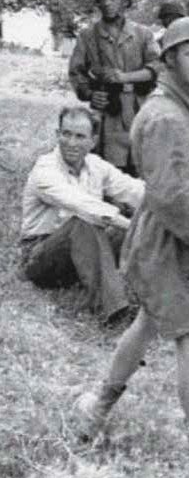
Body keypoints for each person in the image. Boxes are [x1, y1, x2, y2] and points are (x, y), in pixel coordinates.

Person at [74, 17, 189, 474]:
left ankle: (95, 409)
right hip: (169, 241)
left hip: (174, 238)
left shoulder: (183, 108)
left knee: (148, 324)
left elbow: (186, 189)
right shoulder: (165, 118)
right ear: (170, 58)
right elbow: (172, 200)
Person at [20, 106, 144, 325]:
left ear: (92, 141)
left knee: (138, 228)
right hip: (41, 257)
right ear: (57, 134)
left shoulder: (96, 166)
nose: (71, 142)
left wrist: (178, 201)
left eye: (80, 136)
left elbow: (133, 189)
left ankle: (165, 300)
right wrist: (133, 227)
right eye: (66, 134)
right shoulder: (45, 169)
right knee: (85, 222)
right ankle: (113, 310)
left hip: (79, 255)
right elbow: (84, 206)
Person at [68, 0, 160, 174]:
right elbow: (76, 72)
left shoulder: (143, 34)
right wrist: (90, 94)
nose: (106, 2)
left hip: (139, 108)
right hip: (108, 110)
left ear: (125, 2)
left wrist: (126, 77)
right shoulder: (88, 36)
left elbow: (157, 67)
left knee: (142, 166)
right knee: (104, 169)